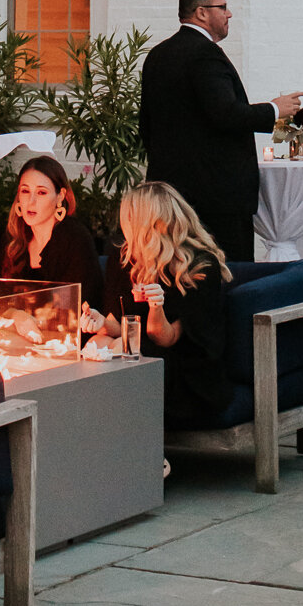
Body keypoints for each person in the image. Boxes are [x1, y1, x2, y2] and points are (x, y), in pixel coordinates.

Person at [138, 0, 301, 263]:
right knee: (227, 277)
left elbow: (146, 125)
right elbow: (225, 114)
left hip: (170, 198)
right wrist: (274, 110)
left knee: (181, 273)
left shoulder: (157, 55)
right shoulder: (205, 53)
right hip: (216, 200)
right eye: (222, 7)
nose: (229, 14)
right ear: (201, 12)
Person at [100, 182, 232, 433]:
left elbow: (165, 338)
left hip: (185, 375)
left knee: (130, 359)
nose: (123, 223)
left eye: (129, 216)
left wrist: (156, 307)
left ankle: (147, 457)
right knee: (95, 352)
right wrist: (99, 322)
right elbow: (117, 326)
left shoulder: (199, 268)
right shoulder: (125, 258)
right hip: (141, 359)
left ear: (147, 221)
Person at [1, 156, 104, 309]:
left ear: (60, 196)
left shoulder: (74, 237)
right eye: (25, 191)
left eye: (41, 193)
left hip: (71, 329)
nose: (31, 201)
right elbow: (1, 301)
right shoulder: (14, 237)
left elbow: (80, 306)